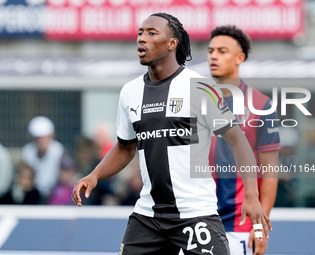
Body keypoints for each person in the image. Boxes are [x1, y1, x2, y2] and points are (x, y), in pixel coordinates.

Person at [72, 13, 271, 255]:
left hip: (195, 214)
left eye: (151, 33)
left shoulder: (201, 87)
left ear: (172, 43)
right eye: (140, 33)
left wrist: (252, 196)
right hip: (148, 218)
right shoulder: (130, 92)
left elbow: (237, 141)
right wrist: (95, 175)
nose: (142, 39)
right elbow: (125, 147)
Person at [207, 25, 280, 255]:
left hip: (238, 225)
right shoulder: (195, 103)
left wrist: (259, 228)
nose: (214, 56)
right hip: (197, 220)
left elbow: (269, 171)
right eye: (210, 51)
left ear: (240, 58)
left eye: (222, 51)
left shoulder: (260, 105)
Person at [22, 116, 65, 202]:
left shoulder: (59, 151)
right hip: (34, 194)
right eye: (38, 138)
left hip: (54, 194)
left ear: (51, 136)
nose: (41, 141)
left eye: (44, 137)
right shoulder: (27, 152)